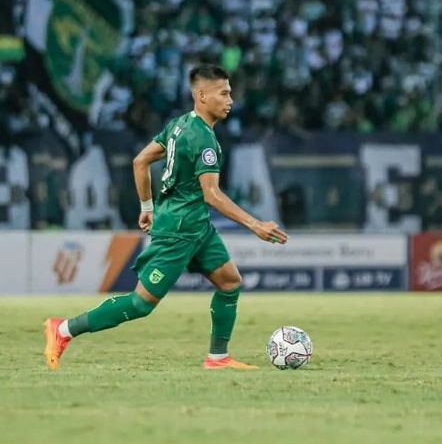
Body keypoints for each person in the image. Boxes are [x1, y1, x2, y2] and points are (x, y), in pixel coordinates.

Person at [43, 64, 288, 370]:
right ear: (201, 95)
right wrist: (256, 224)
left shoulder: (178, 126)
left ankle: (217, 357)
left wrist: (147, 207)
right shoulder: (204, 140)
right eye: (223, 93)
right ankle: (62, 329)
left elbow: (140, 161)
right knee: (140, 304)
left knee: (229, 282)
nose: (230, 100)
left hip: (197, 227)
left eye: (230, 93)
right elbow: (212, 195)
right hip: (179, 231)